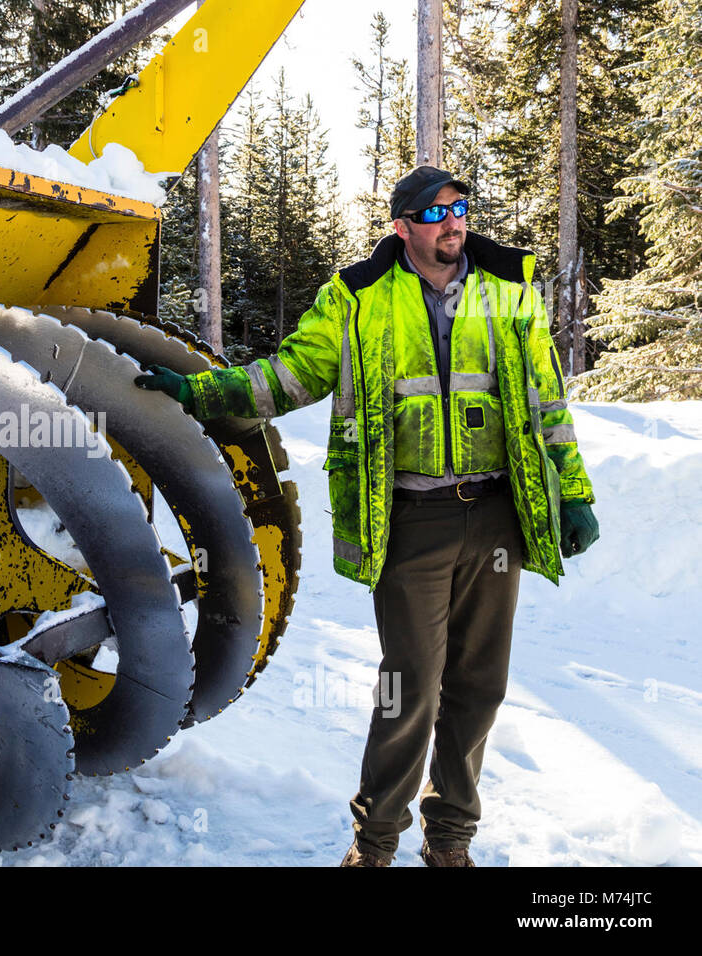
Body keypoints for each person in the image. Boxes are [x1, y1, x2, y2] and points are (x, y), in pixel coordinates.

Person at [135, 165, 600, 867]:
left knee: (479, 689)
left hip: (496, 516)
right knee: (407, 689)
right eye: (438, 212)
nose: (454, 222)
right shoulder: (356, 298)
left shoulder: (506, 289)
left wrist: (575, 492)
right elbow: (288, 377)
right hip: (412, 519)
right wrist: (200, 393)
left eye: (461, 208)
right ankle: (375, 843)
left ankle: (450, 843)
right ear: (403, 225)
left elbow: (546, 402)